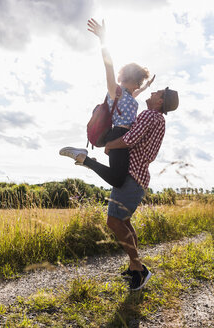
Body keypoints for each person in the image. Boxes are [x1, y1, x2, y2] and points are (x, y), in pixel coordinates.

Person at [61, 87, 179, 290]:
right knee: (124, 222)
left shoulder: (151, 115)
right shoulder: (158, 119)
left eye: (156, 93)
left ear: (160, 101)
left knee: (114, 222)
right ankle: (135, 268)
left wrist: (109, 145)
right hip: (137, 178)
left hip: (132, 178)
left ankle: (139, 268)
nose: (152, 93)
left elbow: (130, 139)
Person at [59, 18, 154, 188]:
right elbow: (108, 67)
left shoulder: (131, 96)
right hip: (118, 135)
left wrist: (147, 86)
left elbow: (139, 91)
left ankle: (86, 160)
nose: (139, 87)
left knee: (119, 178)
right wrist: (103, 40)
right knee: (118, 180)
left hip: (125, 137)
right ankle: (83, 158)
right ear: (130, 80)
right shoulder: (115, 91)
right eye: (138, 82)